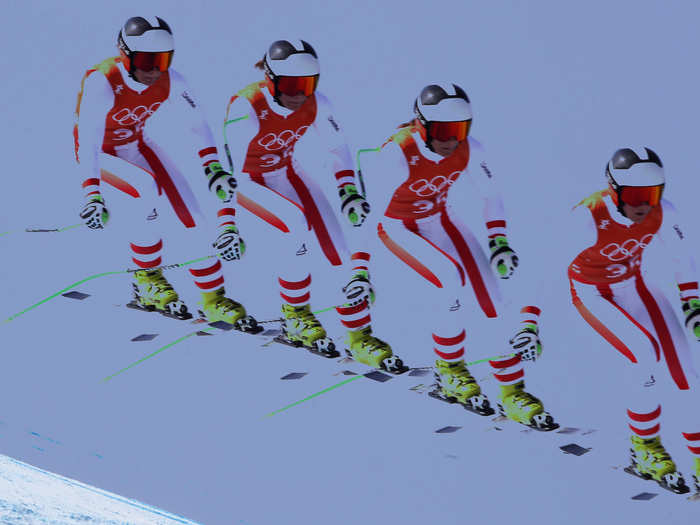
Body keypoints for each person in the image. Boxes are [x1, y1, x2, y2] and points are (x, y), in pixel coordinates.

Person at [364, 82, 557, 429]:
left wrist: (498, 241)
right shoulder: (397, 152)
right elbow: (372, 213)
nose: (451, 139)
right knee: (451, 279)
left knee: (493, 299)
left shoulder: (471, 149)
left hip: (440, 218)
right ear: (422, 124)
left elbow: (490, 196)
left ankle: (511, 391)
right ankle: (449, 370)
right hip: (397, 226)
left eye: (459, 129)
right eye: (442, 130)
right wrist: (360, 268)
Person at [223, 39, 405, 371]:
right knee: (294, 222)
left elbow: (337, 150)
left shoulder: (318, 103)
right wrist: (227, 224)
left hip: (285, 171)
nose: (299, 94)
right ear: (271, 78)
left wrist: (348, 191)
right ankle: (295, 315)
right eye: (291, 85)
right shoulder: (247, 104)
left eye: (307, 85)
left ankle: (358, 335)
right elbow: (230, 169)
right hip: (247, 179)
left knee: (337, 244)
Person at [74, 16, 258, 331]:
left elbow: (198, 126)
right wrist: (92, 192)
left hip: (136, 144)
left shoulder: (173, 82)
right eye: (146, 60)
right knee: (145, 187)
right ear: (125, 53)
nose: (154, 70)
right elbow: (87, 141)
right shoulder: (102, 80)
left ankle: (212, 297)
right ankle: (146, 281)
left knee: (192, 214)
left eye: (161, 61)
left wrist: (212, 167)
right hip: (98, 154)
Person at [567, 147, 700, 494]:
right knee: (644, 353)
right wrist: (530, 322)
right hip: (594, 295)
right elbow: (547, 266)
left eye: (653, 194)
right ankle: (644, 448)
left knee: (686, 373)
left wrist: (692, 304)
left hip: (635, 288)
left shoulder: (662, 212)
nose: (645, 204)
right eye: (638, 195)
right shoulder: (589, 216)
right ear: (615, 190)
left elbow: (681, 259)